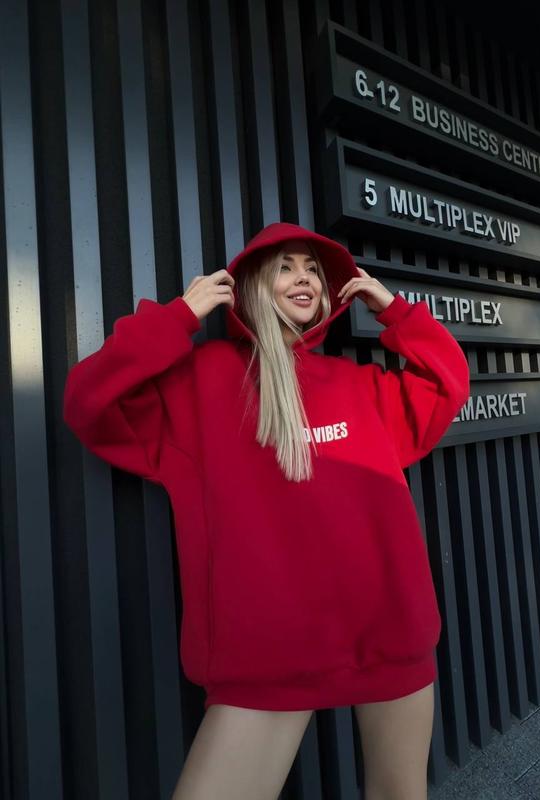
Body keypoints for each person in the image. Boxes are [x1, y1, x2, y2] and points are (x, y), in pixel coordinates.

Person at [63, 222, 470, 800]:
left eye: (312, 269)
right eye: (285, 266)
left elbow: (448, 383)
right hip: (268, 657)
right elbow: (89, 401)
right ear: (252, 283)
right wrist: (178, 317)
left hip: (391, 634)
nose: (304, 278)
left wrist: (395, 311)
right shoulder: (201, 382)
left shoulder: (360, 385)